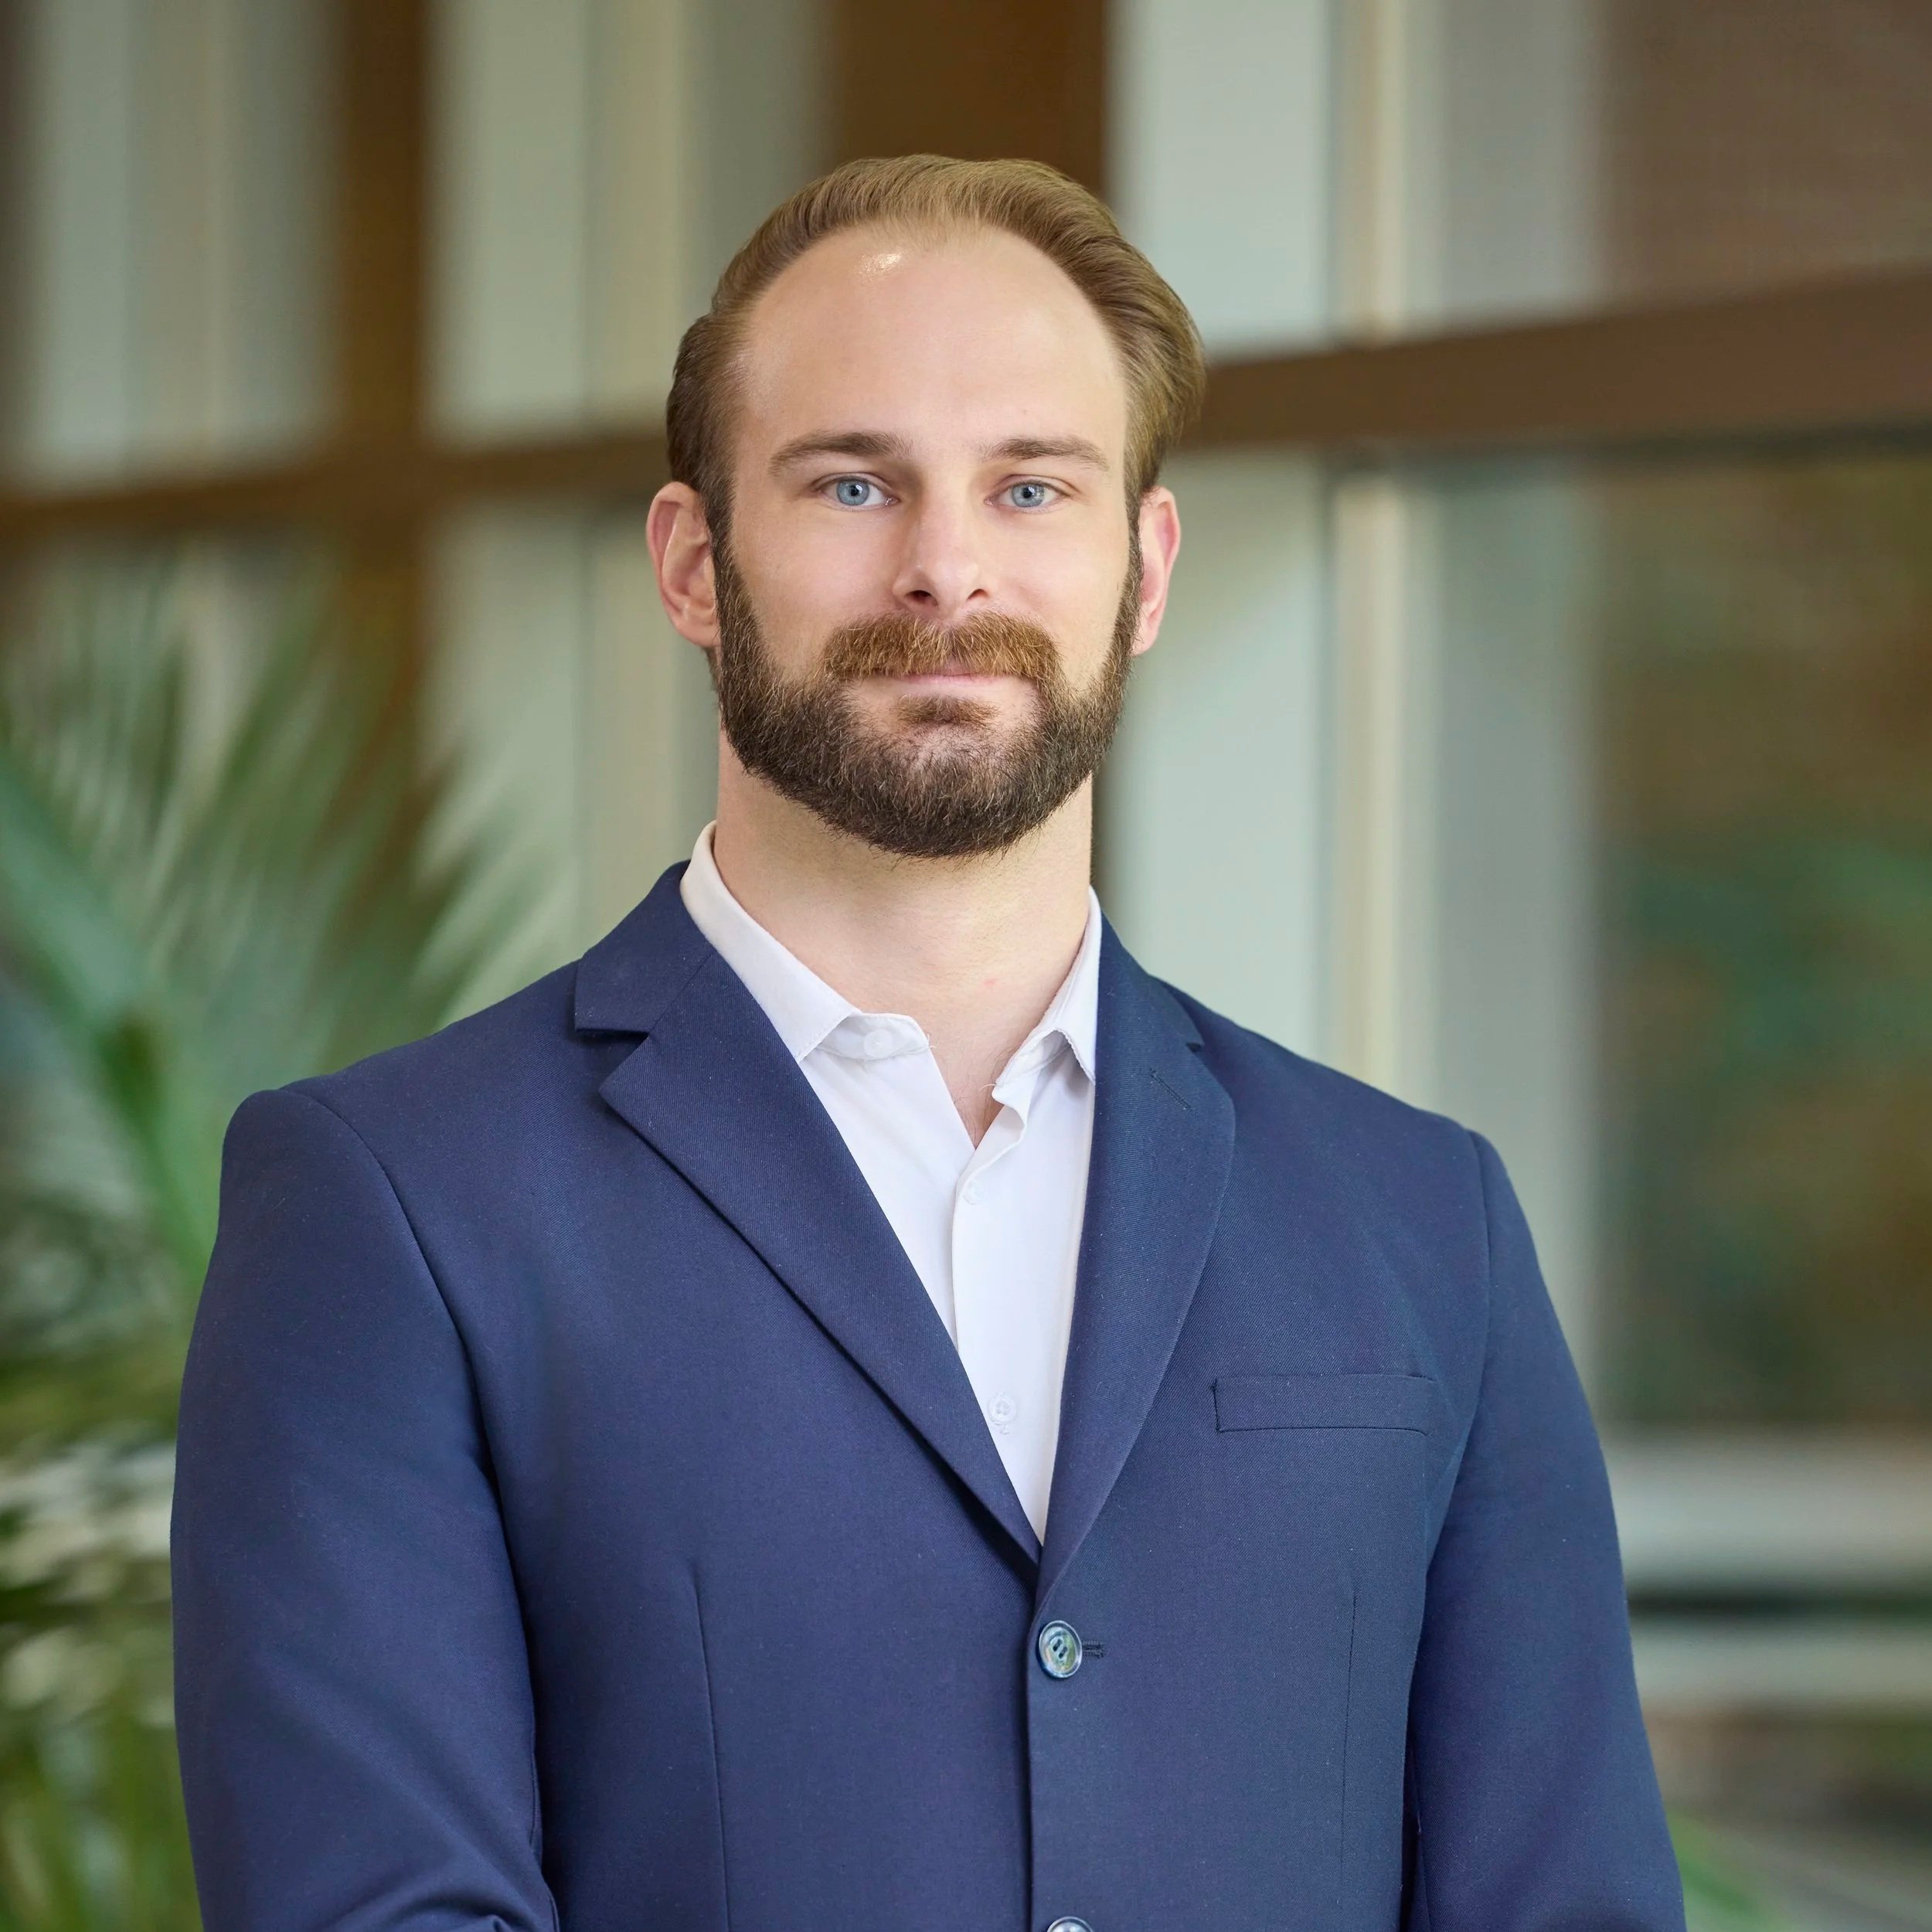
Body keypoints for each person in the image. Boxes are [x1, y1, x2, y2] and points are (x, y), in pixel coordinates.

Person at [172, 156, 1686, 1932]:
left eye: (1029, 484)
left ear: (1142, 565)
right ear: (690, 561)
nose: (944, 568)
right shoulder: (392, 1206)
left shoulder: (1426, 1220)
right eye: (850, 480)